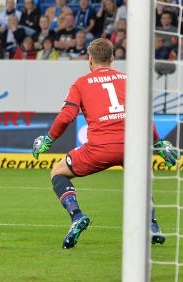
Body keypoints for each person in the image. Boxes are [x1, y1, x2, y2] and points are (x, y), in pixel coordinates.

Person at [31, 38, 177, 249]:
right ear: (112, 58)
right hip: (131, 146)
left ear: (90, 60)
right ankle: (152, 226)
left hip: (99, 148)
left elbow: (65, 117)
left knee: (58, 173)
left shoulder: (81, 83)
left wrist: (48, 140)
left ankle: (77, 216)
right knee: (141, 181)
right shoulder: (129, 80)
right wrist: (159, 143)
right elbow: (144, 114)